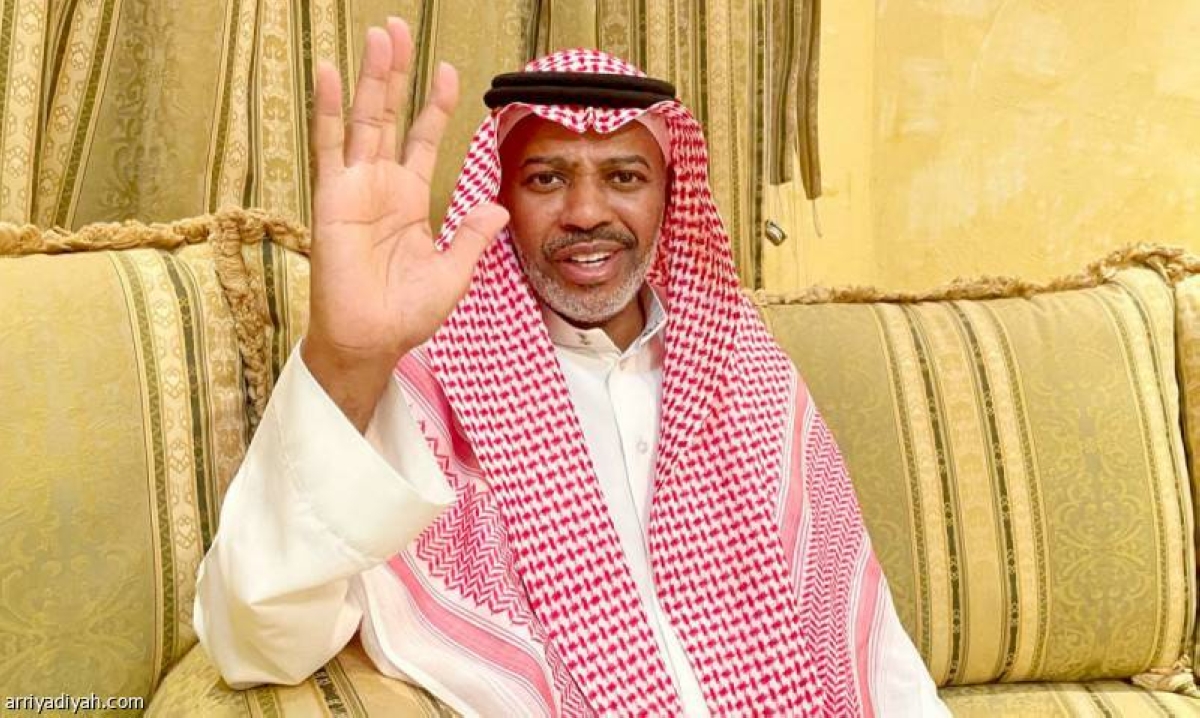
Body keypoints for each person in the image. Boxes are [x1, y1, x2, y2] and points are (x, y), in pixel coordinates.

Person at [194, 17, 948, 717]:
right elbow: (255, 640)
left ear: (669, 197)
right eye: (547, 179)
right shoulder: (427, 391)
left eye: (624, 177)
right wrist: (345, 358)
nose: (586, 212)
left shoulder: (748, 374)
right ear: (500, 197)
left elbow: (874, 656)